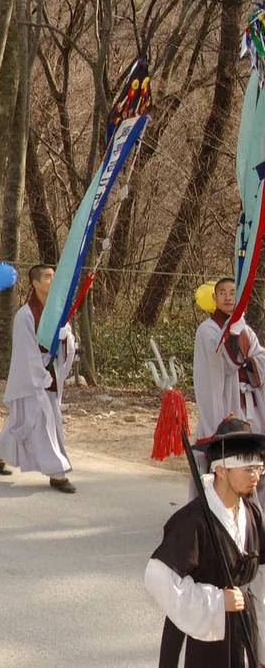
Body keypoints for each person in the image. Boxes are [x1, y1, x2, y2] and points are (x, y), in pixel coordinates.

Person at [144, 416, 265, 665]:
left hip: (244, 627)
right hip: (200, 635)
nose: (256, 476)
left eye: (259, 468)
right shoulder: (192, 521)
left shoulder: (253, 514)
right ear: (220, 469)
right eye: (248, 469)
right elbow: (157, 578)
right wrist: (218, 601)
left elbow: (260, 576)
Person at [0, 264, 77, 493]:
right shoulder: (24, 315)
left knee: (24, 423)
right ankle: (57, 473)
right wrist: (40, 374)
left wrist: (66, 339)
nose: (51, 280)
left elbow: (67, 341)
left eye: (53, 277)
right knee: (42, 421)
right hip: (33, 377)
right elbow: (25, 351)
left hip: (50, 371)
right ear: (35, 283)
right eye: (47, 277)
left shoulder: (57, 311)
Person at [193, 278, 265, 453]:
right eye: (222, 293)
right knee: (228, 451)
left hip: (251, 403)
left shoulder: (246, 330)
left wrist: (250, 363)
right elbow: (218, 365)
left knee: (254, 452)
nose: (228, 298)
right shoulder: (207, 330)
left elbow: (260, 356)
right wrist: (231, 337)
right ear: (214, 297)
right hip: (224, 401)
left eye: (233, 293)